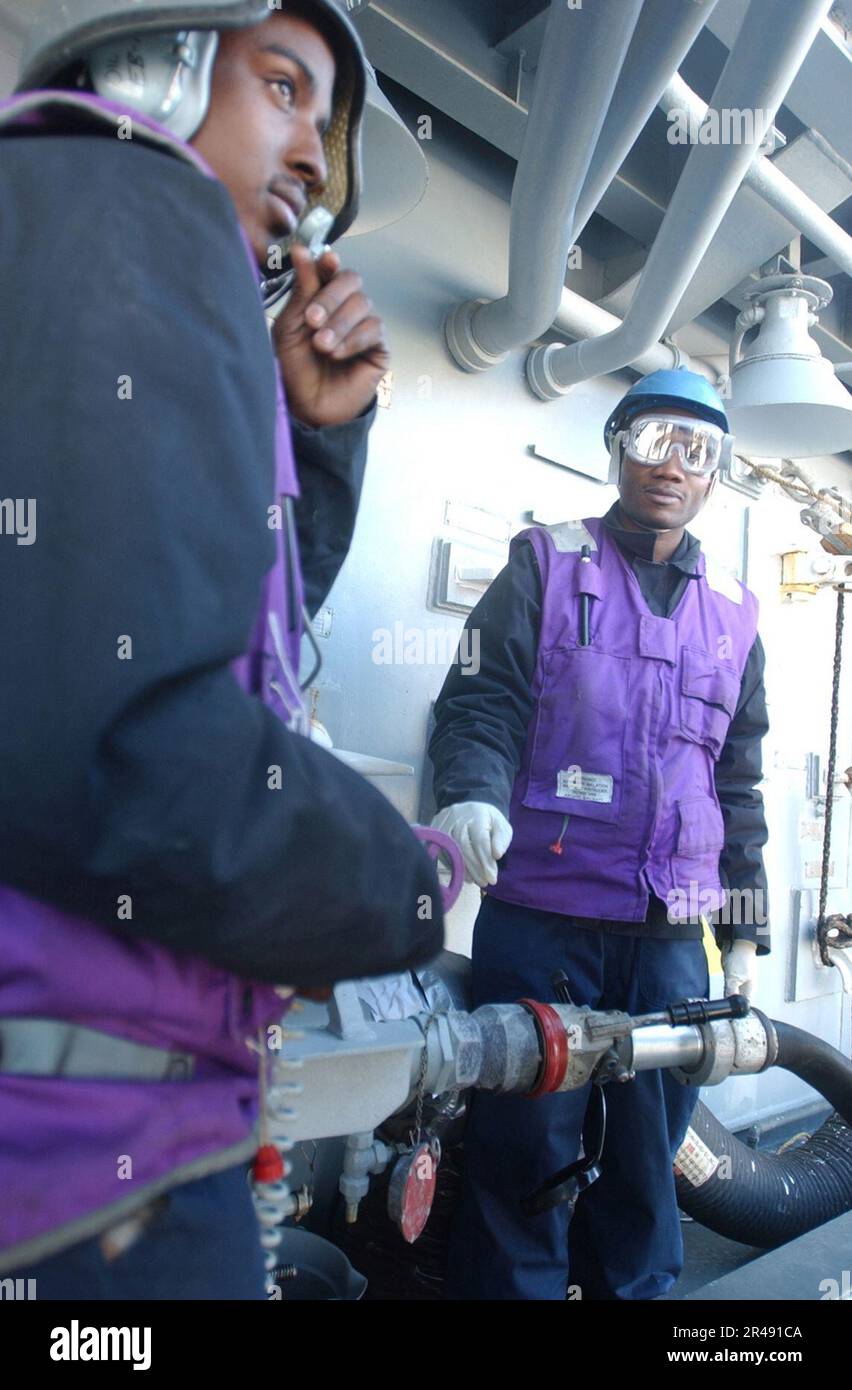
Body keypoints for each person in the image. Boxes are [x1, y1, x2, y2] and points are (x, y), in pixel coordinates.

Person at [0, 0, 443, 1298]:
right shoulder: (120, 203)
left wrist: (316, 439)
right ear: (151, 63)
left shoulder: (74, 237)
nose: (317, 156)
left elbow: (190, 634)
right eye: (285, 87)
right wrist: (400, 886)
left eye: (330, 122)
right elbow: (119, 739)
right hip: (76, 1173)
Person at [429, 369, 771, 1301]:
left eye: (698, 451)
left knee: (647, 1163)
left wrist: (743, 933)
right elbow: (480, 705)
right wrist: (472, 795)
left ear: (716, 475)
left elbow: (737, 786)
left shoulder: (738, 614)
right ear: (619, 444)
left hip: (671, 944)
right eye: (656, 438)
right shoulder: (543, 563)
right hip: (543, 922)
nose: (673, 464)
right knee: (522, 1155)